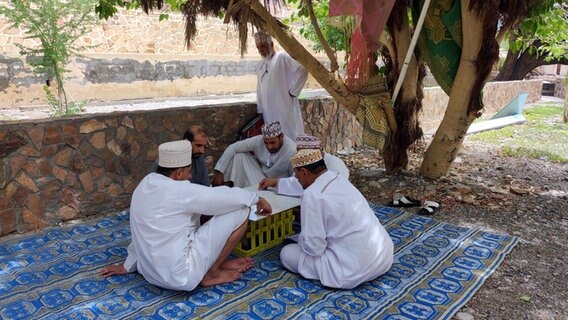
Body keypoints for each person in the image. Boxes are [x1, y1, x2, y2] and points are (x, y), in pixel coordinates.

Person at [100, 140, 272, 290]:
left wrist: (128, 265)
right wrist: (256, 199)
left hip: (150, 273)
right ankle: (212, 273)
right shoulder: (180, 189)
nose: (190, 176)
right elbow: (221, 197)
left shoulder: (144, 184)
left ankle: (213, 264)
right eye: (188, 171)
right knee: (241, 209)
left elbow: (141, 229)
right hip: (182, 276)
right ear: (178, 173)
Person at [280, 149, 393, 289]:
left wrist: (302, 239)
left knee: (286, 253)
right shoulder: (338, 177)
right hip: (382, 258)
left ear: (304, 172)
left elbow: (314, 248)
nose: (298, 180)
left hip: (351, 272)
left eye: (297, 176)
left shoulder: (312, 194)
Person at [255, 32, 308, 141]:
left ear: (271, 44)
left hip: (284, 106)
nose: (261, 50)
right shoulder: (260, 65)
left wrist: (293, 91)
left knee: (290, 135)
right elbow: (259, 88)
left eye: (263, 46)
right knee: (274, 139)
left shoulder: (282, 57)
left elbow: (303, 69)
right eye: (258, 47)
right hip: (268, 110)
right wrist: (260, 108)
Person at [258, 134, 349, 197]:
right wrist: (274, 182)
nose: (301, 156)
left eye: (304, 153)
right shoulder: (301, 166)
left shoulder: (335, 164)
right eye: (299, 152)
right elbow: (297, 183)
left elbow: (332, 190)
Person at [212, 121, 296, 188]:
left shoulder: (291, 149)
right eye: (266, 143)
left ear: (281, 137)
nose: (269, 147)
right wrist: (219, 172)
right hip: (260, 177)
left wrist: (275, 182)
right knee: (239, 156)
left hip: (280, 185)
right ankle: (227, 189)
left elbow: (295, 180)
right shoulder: (258, 141)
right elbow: (233, 147)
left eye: (272, 142)